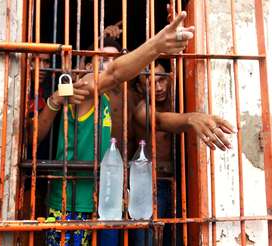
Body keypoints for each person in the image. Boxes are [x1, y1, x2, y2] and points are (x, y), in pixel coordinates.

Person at [33, 11, 195, 246]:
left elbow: (121, 78)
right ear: (86, 63)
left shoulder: (116, 98)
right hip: (71, 201)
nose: (110, 66)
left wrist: (190, 118)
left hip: (103, 196)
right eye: (102, 59)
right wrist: (157, 45)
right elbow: (114, 73)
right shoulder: (82, 88)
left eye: (115, 59)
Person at [130, 62, 235, 246]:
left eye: (162, 80)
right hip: (150, 185)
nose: (158, 87)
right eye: (150, 82)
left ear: (171, 79)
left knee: (179, 239)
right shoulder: (141, 110)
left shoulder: (179, 103)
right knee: (146, 241)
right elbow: (160, 121)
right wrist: (190, 118)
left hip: (181, 185)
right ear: (139, 88)